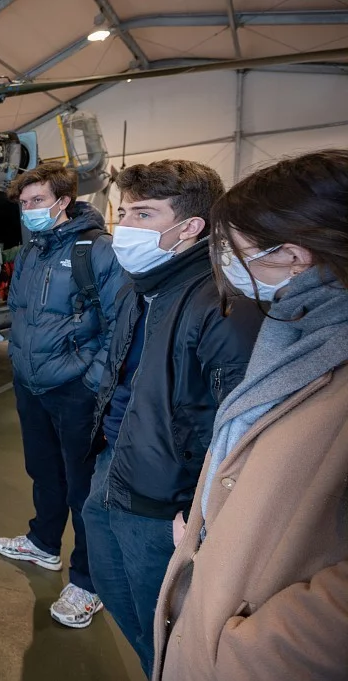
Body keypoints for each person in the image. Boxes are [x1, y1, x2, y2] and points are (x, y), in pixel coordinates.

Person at [153, 149, 348, 681]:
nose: (230, 264)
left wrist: (260, 652)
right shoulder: (294, 325)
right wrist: (213, 526)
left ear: (294, 255)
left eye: (238, 249)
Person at [79, 160, 263, 678]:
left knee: (164, 624)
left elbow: (243, 426)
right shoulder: (142, 285)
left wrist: (209, 512)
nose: (124, 225)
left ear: (189, 227)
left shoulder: (224, 303)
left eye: (143, 213)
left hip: (166, 498)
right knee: (117, 593)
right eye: (123, 211)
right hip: (114, 465)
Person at [0, 161, 127, 628]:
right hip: (31, 383)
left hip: (75, 389)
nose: (28, 211)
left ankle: (88, 583)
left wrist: (90, 380)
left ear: (63, 202)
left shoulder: (98, 250)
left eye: (37, 202)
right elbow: (20, 312)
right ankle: (44, 544)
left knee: (83, 487)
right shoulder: (33, 251)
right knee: (43, 471)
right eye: (24, 204)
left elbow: (119, 327)